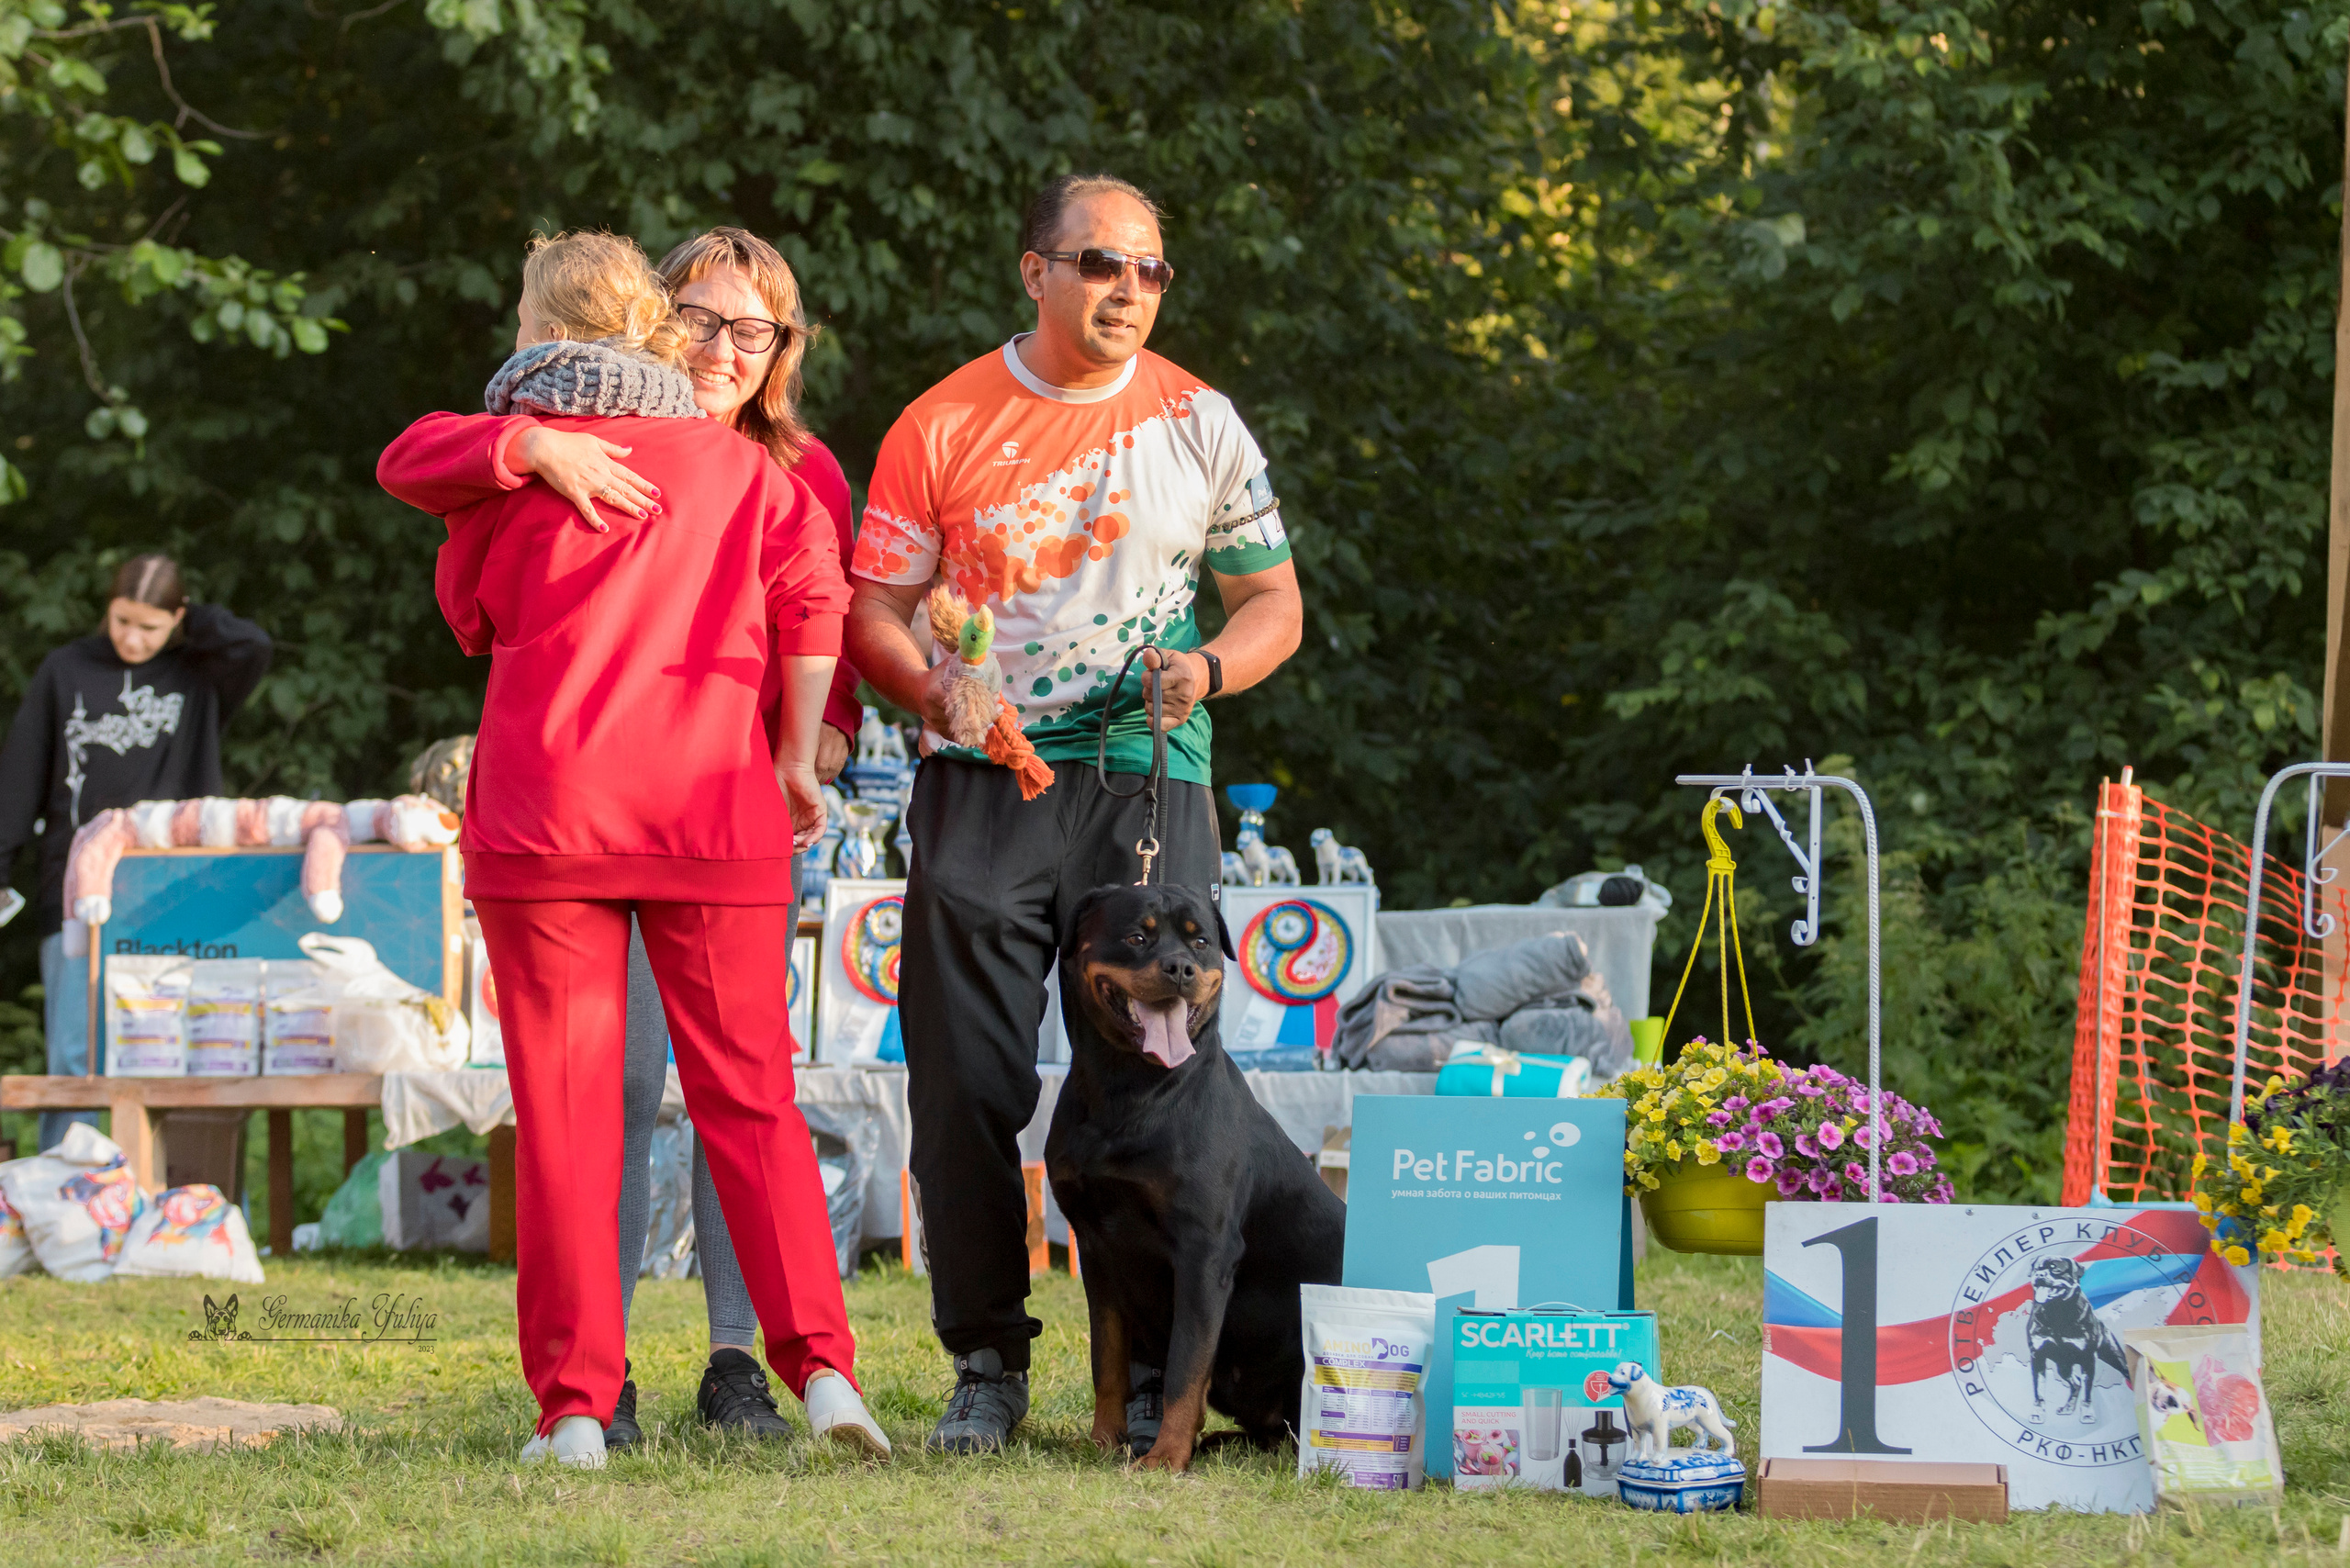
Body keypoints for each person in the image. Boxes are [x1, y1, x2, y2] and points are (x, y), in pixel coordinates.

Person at [375, 230, 888, 1469]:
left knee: (566, 1117)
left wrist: (523, 465)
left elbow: (470, 610)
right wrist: (789, 743)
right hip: (717, 817)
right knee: (752, 1100)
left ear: (544, 336)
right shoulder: (754, 472)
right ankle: (822, 1374)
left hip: (548, 817)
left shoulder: (511, 476)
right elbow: (815, 594)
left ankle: (576, 1410)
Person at [845, 173, 1304, 1454]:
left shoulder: (1201, 421)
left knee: (1168, 1079)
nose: (1130, 291)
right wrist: (933, 686)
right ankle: (987, 1362)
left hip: (1144, 770)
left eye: (1153, 270)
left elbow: (1274, 603)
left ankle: (1158, 1376)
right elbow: (869, 608)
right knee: (965, 1084)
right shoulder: (940, 421)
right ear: (1034, 270)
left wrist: (1211, 666)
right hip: (985, 779)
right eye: (1103, 263)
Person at [0, 554, 271, 1149]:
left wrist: (188, 619)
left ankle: (184, 1201)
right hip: (72, 887)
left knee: (179, 1051)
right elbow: (21, 772)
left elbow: (253, 646)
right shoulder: (65, 670)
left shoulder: (198, 674)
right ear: (107, 609)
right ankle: (65, 1203)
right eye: (122, 620)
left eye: (150, 626)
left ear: (176, 619)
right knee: (75, 1053)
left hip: (174, 888)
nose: (131, 638)